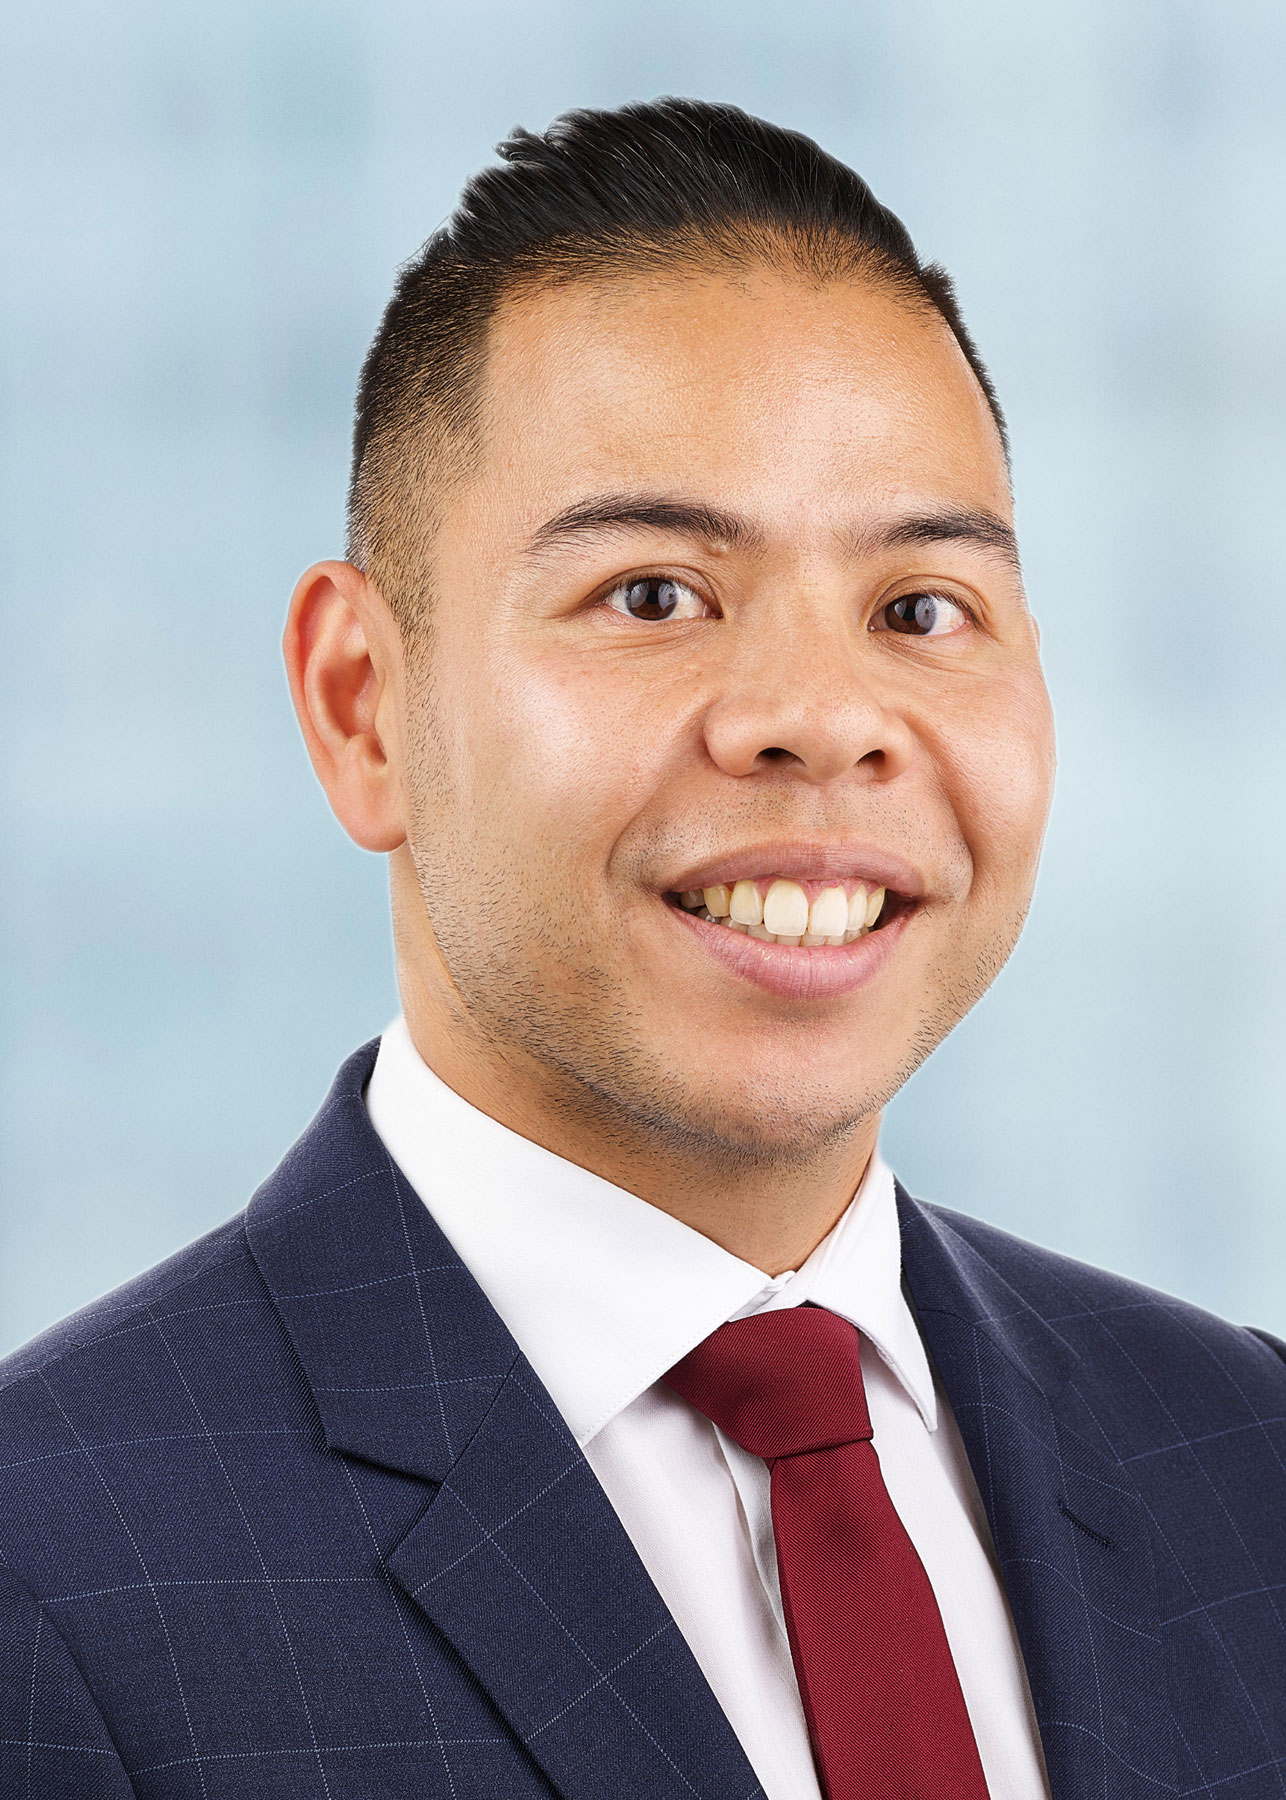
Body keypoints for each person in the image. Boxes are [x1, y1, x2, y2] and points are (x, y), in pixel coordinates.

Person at [0, 97, 1282, 1800]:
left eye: (917, 610)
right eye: (653, 595)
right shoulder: (50, 1572)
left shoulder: (1242, 1454)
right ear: (362, 705)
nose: (820, 719)